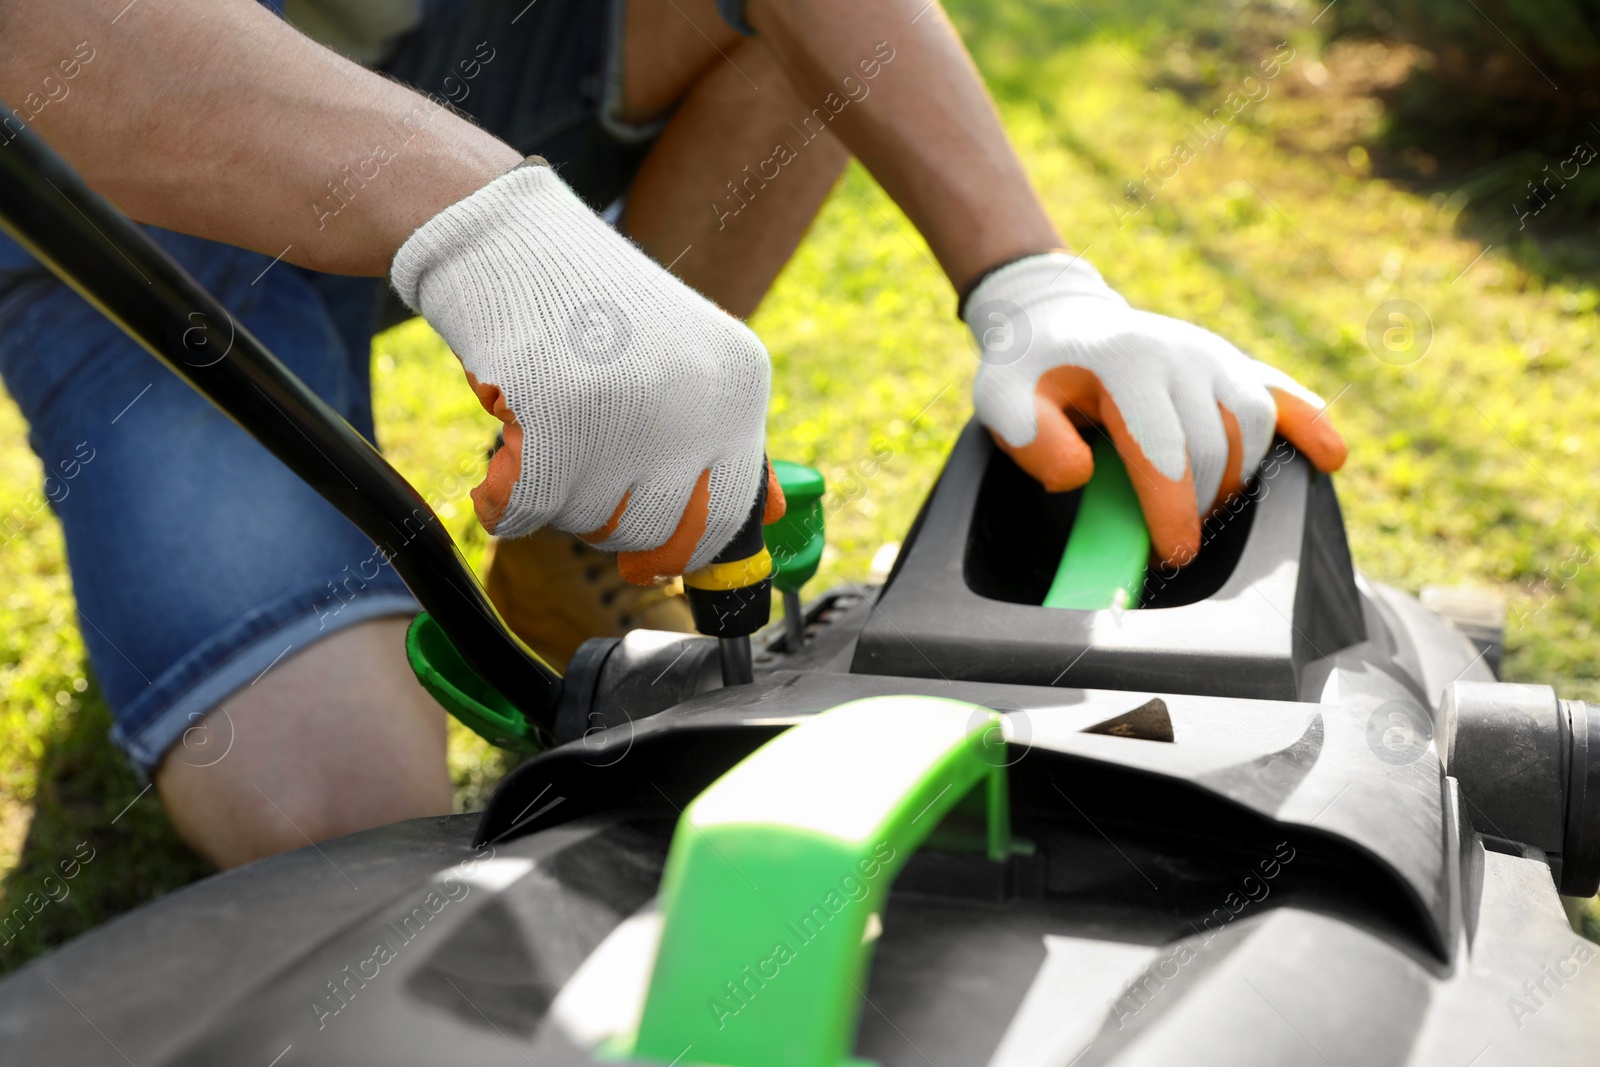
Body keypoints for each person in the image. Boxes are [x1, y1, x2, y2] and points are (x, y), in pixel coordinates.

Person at [0, 0, 1346, 869]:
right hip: (96, 192)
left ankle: (585, 548)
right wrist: (484, 220)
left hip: (438, 52)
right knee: (331, 811)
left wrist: (1030, 278)